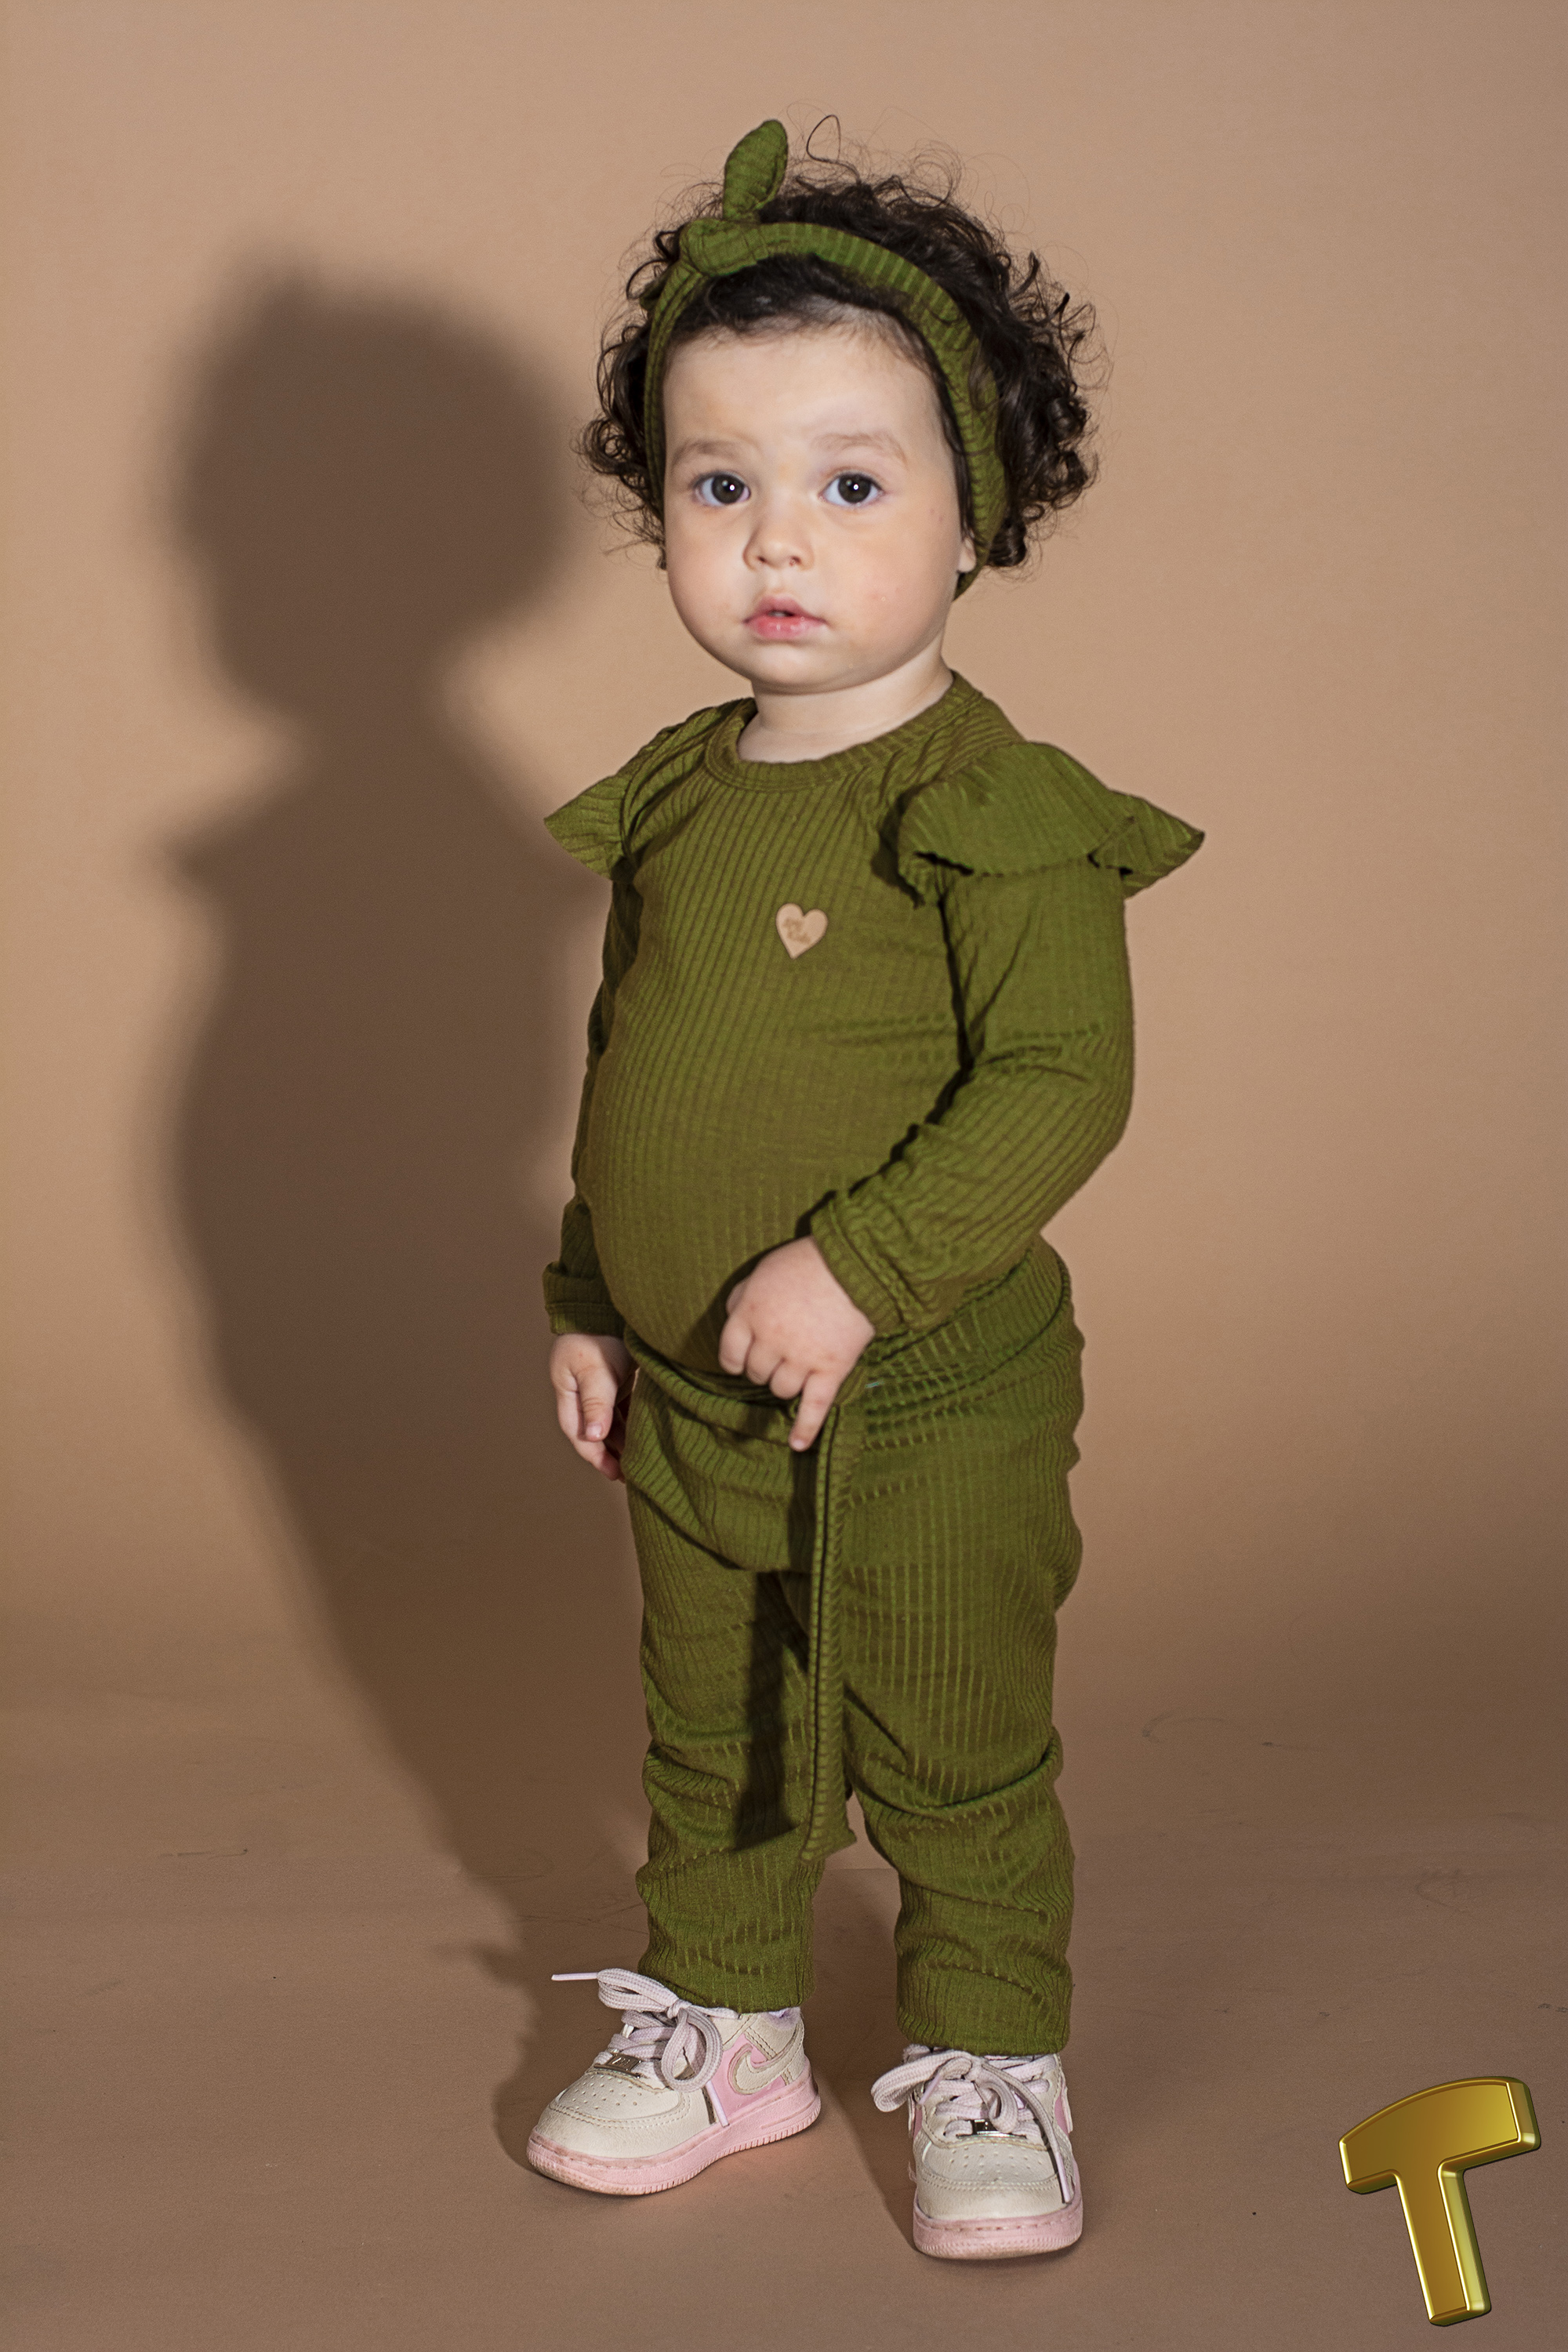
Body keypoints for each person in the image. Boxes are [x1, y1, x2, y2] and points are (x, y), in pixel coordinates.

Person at [524, 118, 1202, 2259]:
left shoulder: (994, 806)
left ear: (976, 510)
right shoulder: (679, 801)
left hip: (924, 1405)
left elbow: (1065, 1082)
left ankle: (996, 2054)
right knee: (712, 1725)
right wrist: (587, 1292)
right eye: (718, 486)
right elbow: (630, 1074)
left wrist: (861, 1266)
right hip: (693, 1400)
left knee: (947, 1732)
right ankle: (730, 2022)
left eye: (849, 484)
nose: (775, 543)